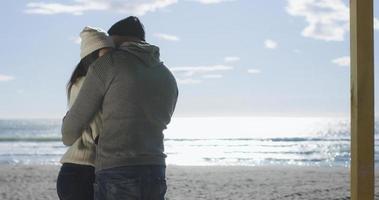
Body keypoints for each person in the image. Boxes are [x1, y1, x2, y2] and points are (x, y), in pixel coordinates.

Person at [61, 16, 178, 200]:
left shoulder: (108, 64)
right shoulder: (167, 75)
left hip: (117, 169)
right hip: (156, 169)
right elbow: (164, 118)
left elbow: (69, 133)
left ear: (115, 38)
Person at [57, 26, 114, 200]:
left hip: (77, 170)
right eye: (105, 54)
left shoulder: (79, 82)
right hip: (83, 171)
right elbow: (98, 128)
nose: (110, 60)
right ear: (91, 55)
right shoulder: (86, 84)